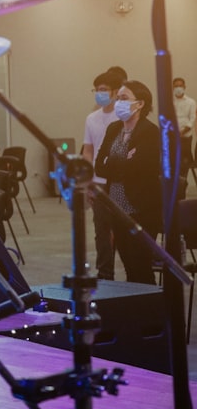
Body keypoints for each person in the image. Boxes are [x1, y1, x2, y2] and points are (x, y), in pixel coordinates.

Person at [94, 81, 162, 284]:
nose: (118, 103)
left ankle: (150, 311)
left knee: (141, 265)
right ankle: (134, 310)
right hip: (116, 209)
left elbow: (141, 169)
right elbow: (100, 166)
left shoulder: (150, 132)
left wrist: (115, 163)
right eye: (118, 99)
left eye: (124, 99)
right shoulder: (114, 128)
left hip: (141, 209)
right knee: (128, 265)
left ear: (139, 104)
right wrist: (124, 160)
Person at [82, 71, 120, 280]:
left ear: (115, 92)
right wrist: (88, 182)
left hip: (119, 183)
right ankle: (105, 273)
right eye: (97, 90)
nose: (99, 93)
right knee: (102, 231)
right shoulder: (91, 118)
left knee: (123, 230)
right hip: (98, 183)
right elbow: (88, 150)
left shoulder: (122, 117)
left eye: (103, 89)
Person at [173, 76, 195, 193]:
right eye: (176, 86)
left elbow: (192, 120)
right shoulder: (169, 102)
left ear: (184, 87)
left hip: (185, 139)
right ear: (172, 88)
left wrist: (182, 131)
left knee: (184, 166)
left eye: (180, 86)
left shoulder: (191, 102)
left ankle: (182, 190)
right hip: (172, 139)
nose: (178, 88)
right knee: (172, 165)